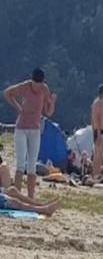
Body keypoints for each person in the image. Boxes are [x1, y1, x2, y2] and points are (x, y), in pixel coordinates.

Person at [4, 68, 57, 200]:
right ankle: (17, 196)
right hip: (21, 128)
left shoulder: (44, 90)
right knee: (21, 163)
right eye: (35, 84)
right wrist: (18, 107)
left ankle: (30, 198)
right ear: (32, 80)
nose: (36, 87)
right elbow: (7, 93)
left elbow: (49, 112)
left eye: (39, 84)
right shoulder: (25, 86)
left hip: (35, 129)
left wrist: (52, 102)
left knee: (32, 166)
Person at [91, 84, 103, 177]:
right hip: (99, 131)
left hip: (100, 130)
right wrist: (98, 131)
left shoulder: (98, 102)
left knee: (100, 154)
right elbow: (96, 118)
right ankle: (95, 173)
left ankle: (98, 172)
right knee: (98, 154)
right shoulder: (99, 103)